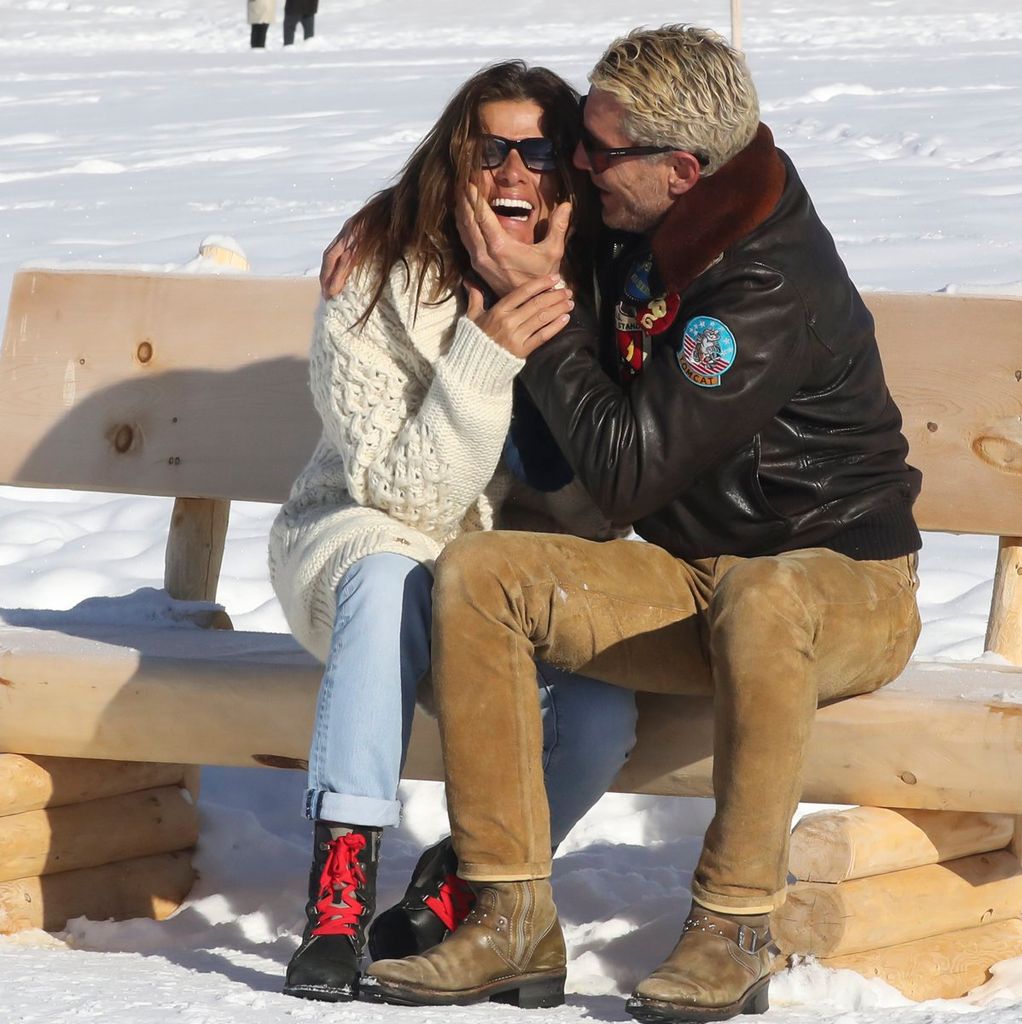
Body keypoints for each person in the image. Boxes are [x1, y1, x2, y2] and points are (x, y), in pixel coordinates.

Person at [364, 25, 923, 1020]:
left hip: (843, 587)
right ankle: (505, 914)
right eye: (579, 136)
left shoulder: (760, 284)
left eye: (597, 151)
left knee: (763, 589)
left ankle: (734, 926)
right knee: (480, 574)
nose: (579, 163)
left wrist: (536, 304)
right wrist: (382, 227)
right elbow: (511, 208)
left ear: (679, 168)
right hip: (694, 580)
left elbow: (622, 472)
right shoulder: (659, 213)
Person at [267, 61, 638, 1004]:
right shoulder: (376, 281)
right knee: (390, 574)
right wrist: (484, 355)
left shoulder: (609, 288)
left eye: (539, 150)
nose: (513, 173)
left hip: (512, 586)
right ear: (455, 162)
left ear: (573, 174)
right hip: (369, 549)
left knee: (601, 717)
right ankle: (341, 899)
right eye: (489, 150)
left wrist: (556, 338)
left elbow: (603, 506)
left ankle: (465, 880)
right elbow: (405, 497)